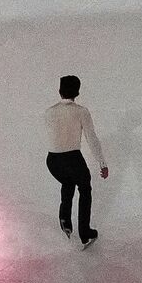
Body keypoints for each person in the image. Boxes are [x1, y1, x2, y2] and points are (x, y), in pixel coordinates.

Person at [46, 75, 109, 248]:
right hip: (72, 158)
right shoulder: (81, 111)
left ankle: (65, 219)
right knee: (85, 189)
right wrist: (102, 163)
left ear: (60, 91)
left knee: (67, 182)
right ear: (77, 92)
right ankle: (85, 232)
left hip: (52, 160)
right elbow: (92, 139)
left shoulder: (49, 111)